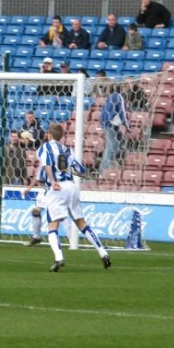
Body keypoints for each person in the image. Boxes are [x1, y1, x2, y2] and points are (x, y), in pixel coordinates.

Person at [37, 123, 110, 272]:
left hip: (57, 189)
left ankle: (59, 257)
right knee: (82, 223)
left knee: (53, 225)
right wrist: (68, 172)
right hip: (71, 186)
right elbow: (82, 171)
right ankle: (103, 252)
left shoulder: (45, 147)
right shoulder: (66, 150)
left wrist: (52, 181)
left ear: (50, 134)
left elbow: (47, 165)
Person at [100, 85, 130, 171]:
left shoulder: (109, 97)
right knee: (110, 149)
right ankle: (104, 171)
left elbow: (102, 112)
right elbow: (122, 113)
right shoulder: (119, 96)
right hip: (112, 125)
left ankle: (111, 168)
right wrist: (128, 126)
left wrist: (103, 124)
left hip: (107, 125)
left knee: (114, 146)